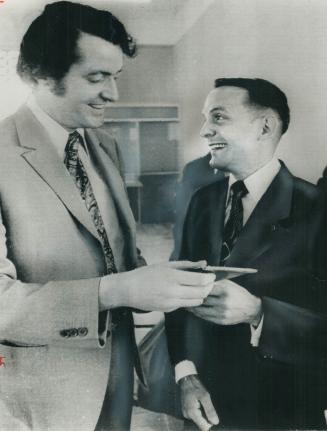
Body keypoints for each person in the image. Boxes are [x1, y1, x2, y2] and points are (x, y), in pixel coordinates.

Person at [0, 2, 215, 430]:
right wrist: (114, 290)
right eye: (96, 77)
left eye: (116, 76)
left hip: (119, 374)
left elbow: (119, 252)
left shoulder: (103, 146)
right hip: (43, 400)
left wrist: (173, 280)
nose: (114, 94)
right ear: (42, 75)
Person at [166, 78, 327, 430]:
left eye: (218, 118)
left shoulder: (317, 209)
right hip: (204, 409)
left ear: (265, 126)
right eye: (206, 118)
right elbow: (175, 292)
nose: (205, 130)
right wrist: (185, 375)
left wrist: (259, 314)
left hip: (283, 411)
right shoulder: (203, 202)